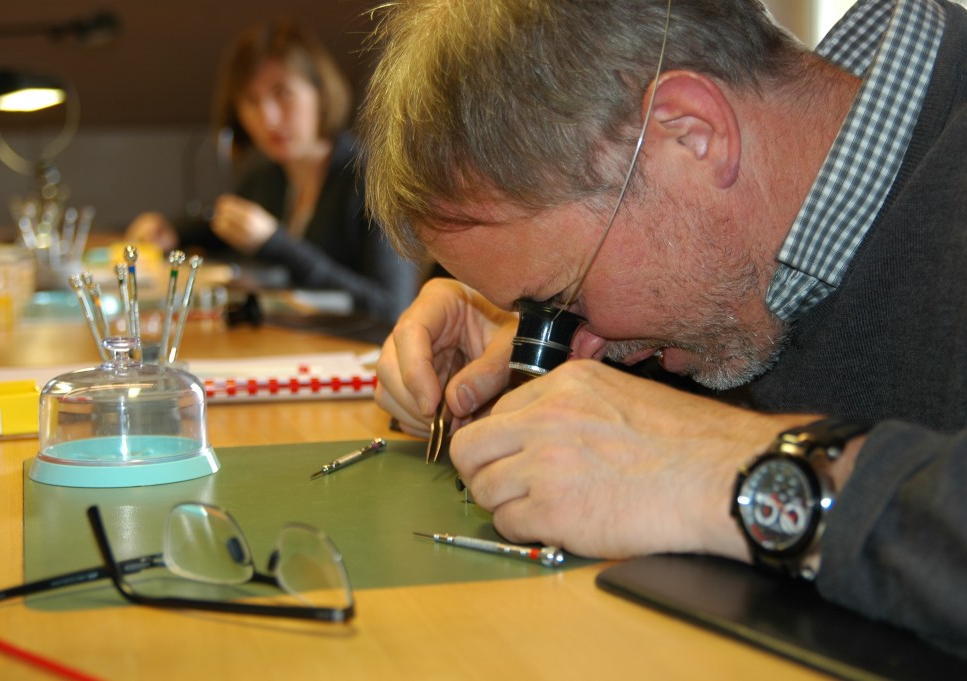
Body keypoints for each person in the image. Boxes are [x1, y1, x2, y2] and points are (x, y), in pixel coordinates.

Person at [357, 0, 967, 658]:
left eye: (563, 298)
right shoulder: (745, 270)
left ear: (690, 132)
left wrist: (719, 467)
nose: (581, 346)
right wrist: (535, 352)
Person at [126, 18, 419, 324]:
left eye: (283, 93)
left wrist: (275, 244)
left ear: (320, 91)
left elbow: (390, 307)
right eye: (251, 100)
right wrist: (171, 229)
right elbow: (222, 224)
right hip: (287, 347)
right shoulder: (265, 174)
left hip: (350, 359)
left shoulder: (374, 178)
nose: (268, 118)